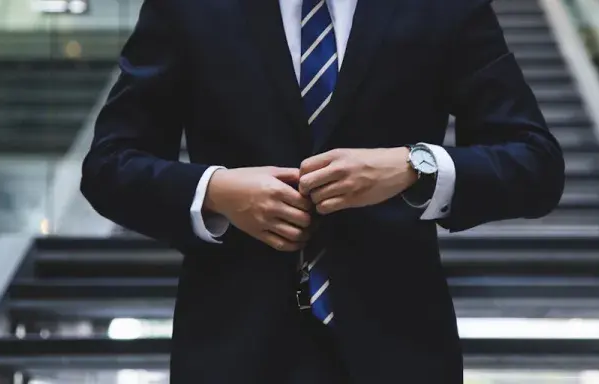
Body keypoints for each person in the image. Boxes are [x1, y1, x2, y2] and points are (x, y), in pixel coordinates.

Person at [80, 0, 565, 382]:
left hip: (399, 350)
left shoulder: (444, 6)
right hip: (230, 348)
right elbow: (108, 166)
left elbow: (536, 163)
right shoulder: (189, 6)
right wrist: (215, 190)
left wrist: (414, 165)